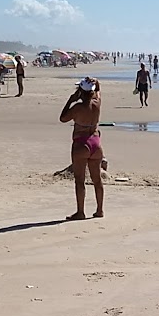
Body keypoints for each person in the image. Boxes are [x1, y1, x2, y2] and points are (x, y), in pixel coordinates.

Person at [59, 77, 104, 220]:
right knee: (97, 180)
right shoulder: (97, 103)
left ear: (80, 92)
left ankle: (80, 211)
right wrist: (95, 82)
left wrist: (71, 100)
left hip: (81, 143)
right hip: (95, 142)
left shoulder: (78, 107)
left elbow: (63, 118)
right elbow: (99, 90)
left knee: (80, 180)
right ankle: (99, 210)